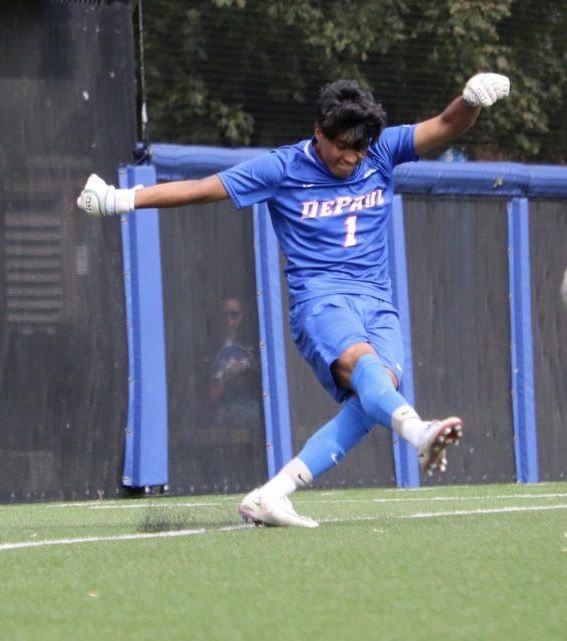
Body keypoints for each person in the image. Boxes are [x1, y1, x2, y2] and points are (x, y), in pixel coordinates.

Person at [77, 72, 511, 528]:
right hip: (321, 302)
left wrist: (470, 100)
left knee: (372, 399)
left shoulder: (379, 152)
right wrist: (120, 199)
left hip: (378, 303)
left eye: (360, 147)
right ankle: (420, 431)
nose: (351, 156)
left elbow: (444, 125)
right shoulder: (282, 168)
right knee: (366, 369)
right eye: (342, 144)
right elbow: (201, 189)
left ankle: (272, 495)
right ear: (318, 133)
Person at [208, 295, 261, 427]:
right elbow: (209, 398)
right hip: (224, 409)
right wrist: (225, 376)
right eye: (224, 314)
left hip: (250, 404)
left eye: (234, 315)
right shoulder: (207, 349)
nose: (229, 320)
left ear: (242, 317)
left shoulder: (251, 348)